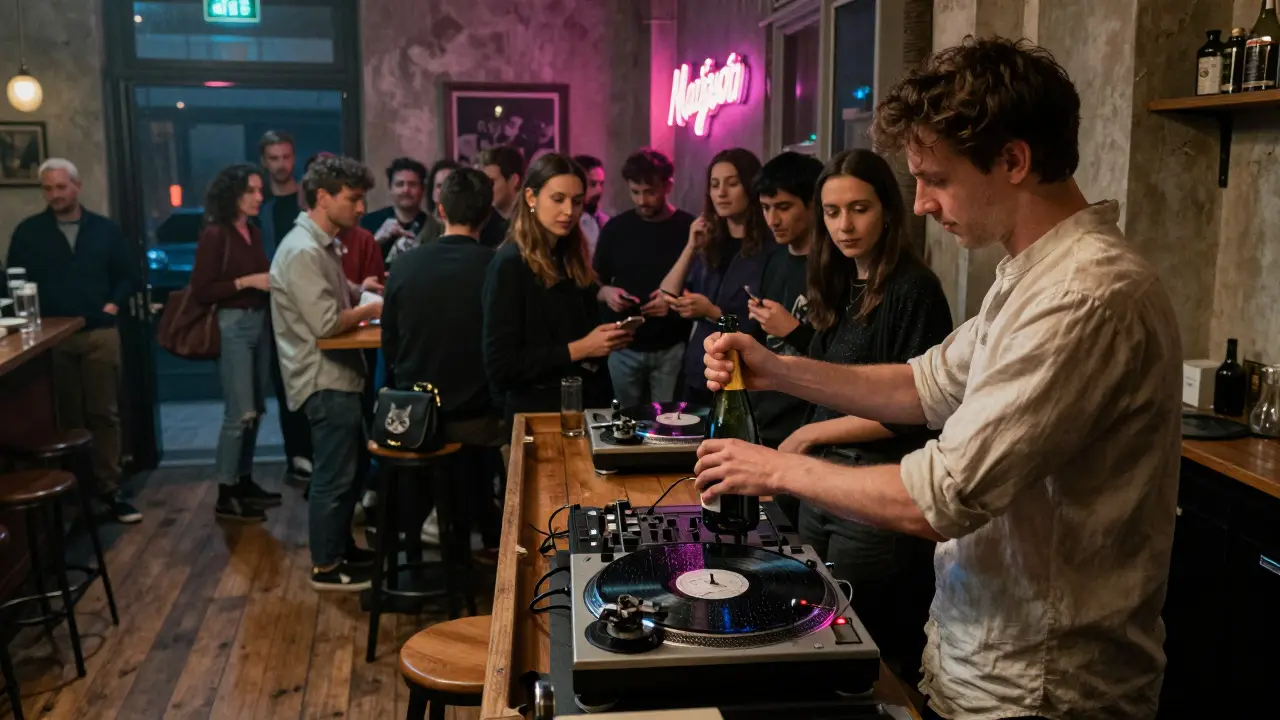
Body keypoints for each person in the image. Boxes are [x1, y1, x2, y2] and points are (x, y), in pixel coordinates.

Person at [696, 37, 1182, 720]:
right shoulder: (1035, 276)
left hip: (1042, 687)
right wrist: (777, 369)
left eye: (937, 178)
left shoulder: (1085, 295)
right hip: (989, 659)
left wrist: (774, 469)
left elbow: (944, 495)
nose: (920, 203)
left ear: (1014, 160)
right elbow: (922, 384)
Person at [785, 149, 952, 688]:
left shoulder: (913, 288)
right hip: (824, 478)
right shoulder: (839, 282)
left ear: (887, 211)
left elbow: (911, 413)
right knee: (813, 625)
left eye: (858, 209)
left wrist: (809, 432)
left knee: (865, 647)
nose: (844, 225)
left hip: (876, 484)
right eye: (832, 212)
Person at [7, 158, 141, 523]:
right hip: (52, 338)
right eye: (47, 188)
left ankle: (110, 489)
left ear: (76, 187)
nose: (54, 195)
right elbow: (14, 281)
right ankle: (72, 495)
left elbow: (128, 275)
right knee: (64, 418)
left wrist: (112, 307)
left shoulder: (104, 230)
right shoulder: (29, 232)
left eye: (60, 187)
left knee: (104, 414)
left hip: (99, 333)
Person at [270, 155, 382, 592]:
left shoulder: (320, 244)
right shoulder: (301, 249)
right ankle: (327, 565)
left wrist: (360, 292)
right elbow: (324, 322)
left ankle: (342, 549)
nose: (360, 209)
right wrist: (369, 308)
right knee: (334, 476)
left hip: (338, 375)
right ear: (322, 197)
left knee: (349, 472)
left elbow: (336, 296)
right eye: (353, 199)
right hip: (322, 378)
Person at [383, 167, 504, 554]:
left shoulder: (403, 266)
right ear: (486, 216)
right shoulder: (497, 267)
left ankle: (422, 530)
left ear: (439, 209)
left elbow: (391, 348)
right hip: (479, 421)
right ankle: (486, 534)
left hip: (413, 419)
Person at [482, 153, 632, 420]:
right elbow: (501, 366)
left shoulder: (568, 256)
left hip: (585, 405)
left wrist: (609, 335)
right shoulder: (510, 264)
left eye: (576, 202)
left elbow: (570, 330)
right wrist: (583, 348)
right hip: (539, 414)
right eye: (558, 199)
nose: (569, 211)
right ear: (531, 197)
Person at [187, 164, 285, 522]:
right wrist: (246, 283)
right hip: (233, 325)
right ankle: (226, 492)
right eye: (251, 191)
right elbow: (202, 289)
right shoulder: (216, 234)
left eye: (260, 191)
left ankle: (244, 481)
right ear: (233, 195)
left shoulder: (252, 231)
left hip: (259, 322)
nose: (259, 197)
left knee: (256, 409)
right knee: (239, 411)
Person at [659, 148, 772, 405]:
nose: (721, 193)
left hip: (745, 374)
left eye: (732, 184)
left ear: (750, 187)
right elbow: (667, 294)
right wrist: (691, 246)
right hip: (699, 368)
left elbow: (765, 327)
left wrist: (712, 312)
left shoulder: (768, 248)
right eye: (714, 184)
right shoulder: (711, 242)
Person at [592, 148, 693, 408]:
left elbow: (702, 287)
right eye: (635, 192)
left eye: (650, 192)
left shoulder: (687, 228)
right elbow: (594, 281)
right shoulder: (616, 228)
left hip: (672, 346)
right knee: (624, 423)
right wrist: (607, 293)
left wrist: (673, 302)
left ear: (668, 185)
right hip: (624, 346)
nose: (642, 200)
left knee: (669, 424)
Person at [746, 151, 825, 451]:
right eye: (765, 208)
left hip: (807, 424)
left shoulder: (834, 267)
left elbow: (843, 359)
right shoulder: (775, 259)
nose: (772, 220)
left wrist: (793, 330)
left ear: (812, 205)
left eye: (783, 207)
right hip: (765, 416)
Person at [255, 130, 313, 485]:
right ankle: (297, 455)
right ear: (264, 161)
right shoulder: (258, 205)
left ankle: (313, 453)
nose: (280, 164)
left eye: (286, 157)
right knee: (282, 382)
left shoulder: (305, 201)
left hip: (305, 301)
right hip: (268, 304)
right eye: (273, 158)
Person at [359, 157, 429, 264]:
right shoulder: (368, 222)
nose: (406, 190)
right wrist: (376, 240)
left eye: (412, 184)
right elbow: (356, 263)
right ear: (390, 188)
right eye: (399, 184)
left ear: (422, 189)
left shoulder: (433, 227)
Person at [476, 145, 525, 248]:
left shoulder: (533, 215)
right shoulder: (483, 224)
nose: (486, 189)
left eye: (492, 182)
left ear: (514, 180)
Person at [414, 158, 463, 246]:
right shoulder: (417, 230)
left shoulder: (476, 227)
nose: (445, 191)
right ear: (432, 193)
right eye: (439, 186)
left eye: (450, 185)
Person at [572, 154, 610, 259]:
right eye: (592, 184)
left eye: (601, 184)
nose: (599, 190)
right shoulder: (565, 222)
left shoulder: (606, 221)